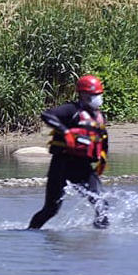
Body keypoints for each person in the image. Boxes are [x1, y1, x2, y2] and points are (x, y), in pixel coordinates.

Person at [28, 74, 110, 229]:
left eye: (99, 95)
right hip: (62, 165)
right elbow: (46, 115)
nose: (98, 98)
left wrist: (103, 160)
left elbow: (103, 138)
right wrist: (65, 132)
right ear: (84, 95)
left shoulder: (99, 116)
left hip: (84, 168)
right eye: (94, 95)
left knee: (101, 204)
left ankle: (99, 240)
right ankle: (30, 233)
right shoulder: (71, 110)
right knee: (51, 209)